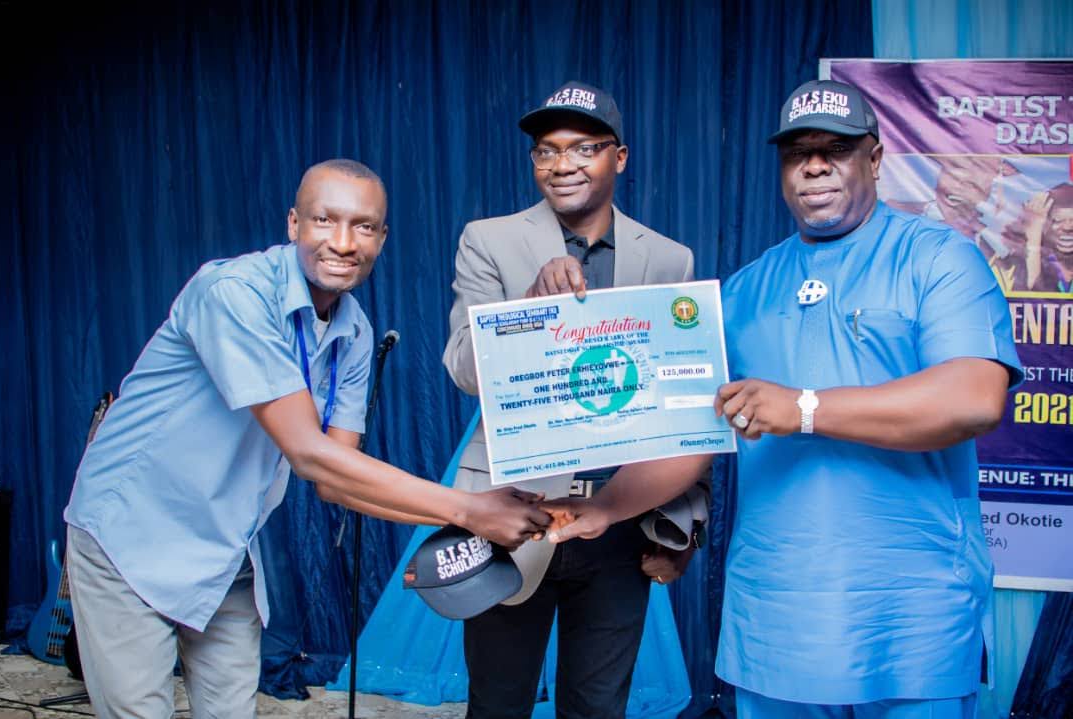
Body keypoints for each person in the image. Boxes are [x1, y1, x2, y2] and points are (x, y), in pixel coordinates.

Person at [62, 159, 550, 718]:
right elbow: (308, 454)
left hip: (224, 548)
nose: (343, 242)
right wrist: (469, 509)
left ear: (382, 238)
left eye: (363, 226)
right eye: (324, 220)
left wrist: (473, 516)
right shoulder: (233, 293)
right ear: (294, 223)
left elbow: (336, 480)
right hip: (129, 534)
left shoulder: (355, 329)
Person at [712, 79, 1023, 718]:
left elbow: (974, 398)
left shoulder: (939, 259)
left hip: (913, 617)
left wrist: (804, 409)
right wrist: (602, 509)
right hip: (776, 620)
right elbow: (688, 433)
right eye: (797, 153)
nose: (814, 166)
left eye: (836, 149)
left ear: (875, 159)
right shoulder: (743, 290)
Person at [442, 82, 710, 719]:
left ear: (620, 156)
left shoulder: (669, 259)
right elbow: (462, 369)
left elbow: (682, 400)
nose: (562, 164)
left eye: (584, 148)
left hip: (618, 518)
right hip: (515, 509)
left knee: (598, 707)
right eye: (547, 150)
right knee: (497, 704)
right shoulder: (489, 240)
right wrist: (528, 310)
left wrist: (685, 523)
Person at [1003, 182, 1073, 292]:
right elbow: (1036, 293)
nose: (1068, 227)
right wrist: (1034, 239)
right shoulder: (1020, 263)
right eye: (1057, 220)